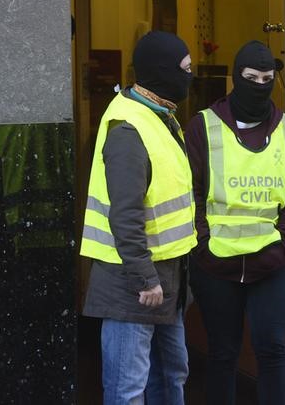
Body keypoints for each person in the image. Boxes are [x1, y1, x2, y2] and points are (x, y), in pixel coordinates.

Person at [184, 40, 285, 405]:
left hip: (269, 263)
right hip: (214, 264)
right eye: (251, 77)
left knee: (273, 351)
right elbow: (190, 191)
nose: (259, 84)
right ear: (236, 77)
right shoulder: (203, 126)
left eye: (267, 78)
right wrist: (203, 244)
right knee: (222, 354)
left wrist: (283, 242)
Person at [80, 30, 197, 404]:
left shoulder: (159, 116)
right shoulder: (129, 128)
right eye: (185, 68)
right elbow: (125, 214)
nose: (190, 76)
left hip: (165, 278)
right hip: (134, 284)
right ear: (161, 72)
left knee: (171, 378)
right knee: (128, 389)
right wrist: (145, 277)